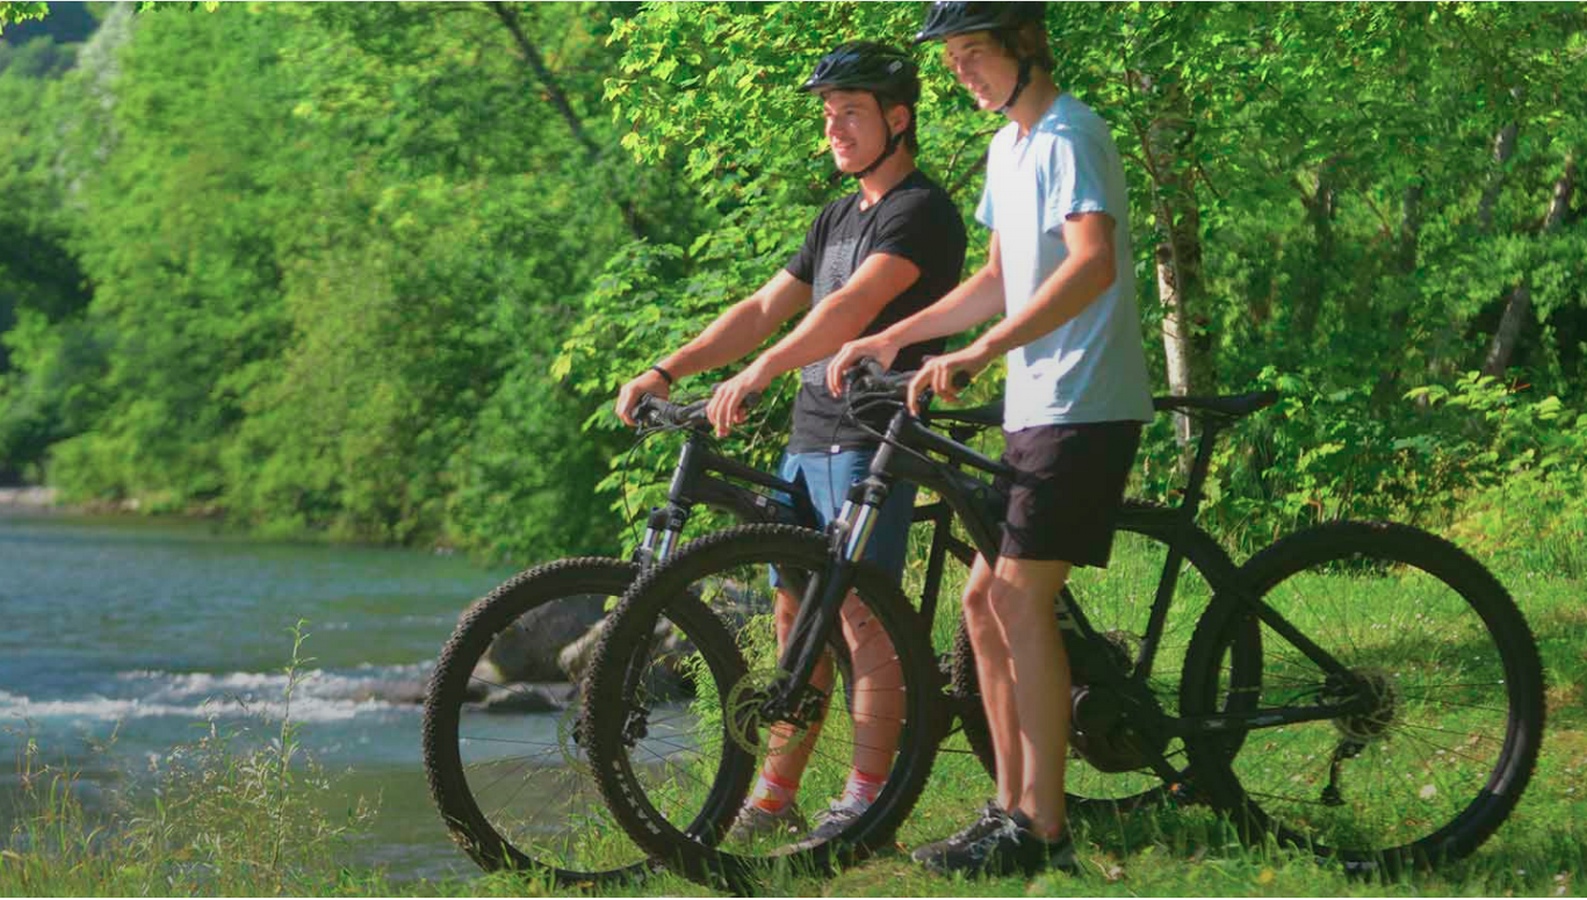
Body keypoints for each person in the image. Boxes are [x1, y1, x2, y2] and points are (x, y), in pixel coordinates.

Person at [827, 1, 1153, 877]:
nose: (959, 70)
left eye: (972, 52)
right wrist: (896, 335)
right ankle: (1009, 808)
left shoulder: (1071, 134)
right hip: (1034, 406)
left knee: (1013, 602)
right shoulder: (1005, 148)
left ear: (1023, 47)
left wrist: (980, 352)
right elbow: (1000, 278)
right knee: (980, 606)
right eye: (952, 57)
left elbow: (1092, 264)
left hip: (1084, 404)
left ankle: (1042, 830)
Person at [614, 41, 967, 843]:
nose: (834, 129)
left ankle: (868, 797)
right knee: (792, 614)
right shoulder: (836, 215)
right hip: (811, 436)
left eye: (850, 113)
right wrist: (669, 367)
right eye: (827, 115)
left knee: (860, 618)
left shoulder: (919, 211)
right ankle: (773, 801)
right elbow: (764, 307)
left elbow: (846, 313)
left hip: (872, 437)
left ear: (898, 118)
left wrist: (762, 372)